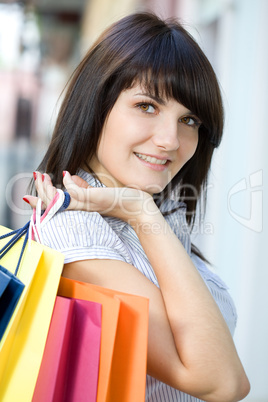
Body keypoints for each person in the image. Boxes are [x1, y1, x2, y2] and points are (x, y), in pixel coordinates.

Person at [23, 12, 250, 402]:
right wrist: (140, 213)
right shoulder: (73, 232)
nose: (170, 140)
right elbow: (221, 383)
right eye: (146, 106)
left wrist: (142, 212)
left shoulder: (160, 215)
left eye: (189, 119)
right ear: (96, 105)